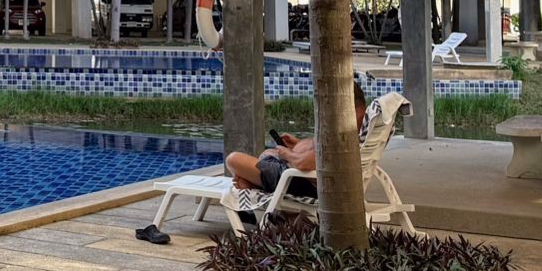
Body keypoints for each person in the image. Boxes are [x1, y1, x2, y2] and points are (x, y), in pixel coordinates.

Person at [136, 79, 369, 244]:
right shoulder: (353, 120)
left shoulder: (344, 124)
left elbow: (306, 164)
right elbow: (319, 153)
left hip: (299, 180)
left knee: (234, 159)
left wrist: (286, 153)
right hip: (301, 176)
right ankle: (251, 187)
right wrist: (298, 144)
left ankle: (249, 189)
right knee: (264, 155)